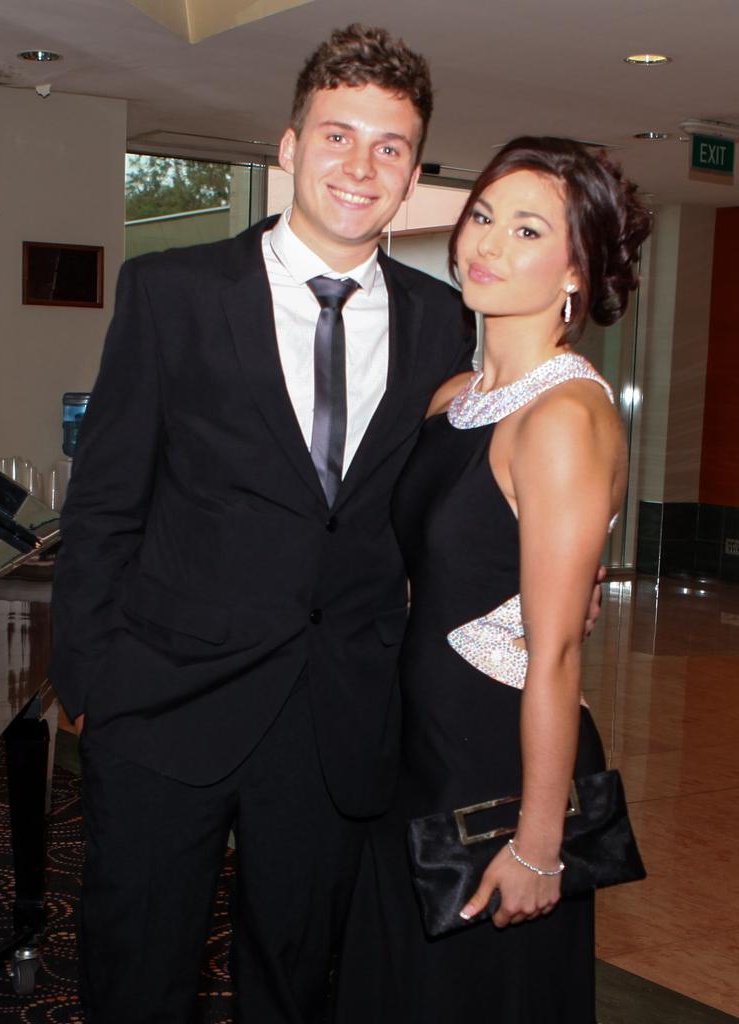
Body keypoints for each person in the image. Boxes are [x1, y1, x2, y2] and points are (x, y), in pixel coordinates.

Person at [49, 24, 477, 1024]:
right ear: (288, 147)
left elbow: (444, 505)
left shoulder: (442, 322)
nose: (361, 165)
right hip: (163, 704)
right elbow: (107, 503)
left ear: (413, 173)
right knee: (137, 973)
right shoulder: (174, 293)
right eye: (337, 135)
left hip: (334, 720)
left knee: (295, 985)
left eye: (389, 146)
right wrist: (90, 684)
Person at [334, 137, 653, 1023]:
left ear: (576, 273)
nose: (486, 244)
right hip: (417, 746)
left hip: (494, 762)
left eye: (525, 230)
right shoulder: (453, 399)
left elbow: (552, 654)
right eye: (482, 216)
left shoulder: (565, 416)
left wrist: (541, 842)